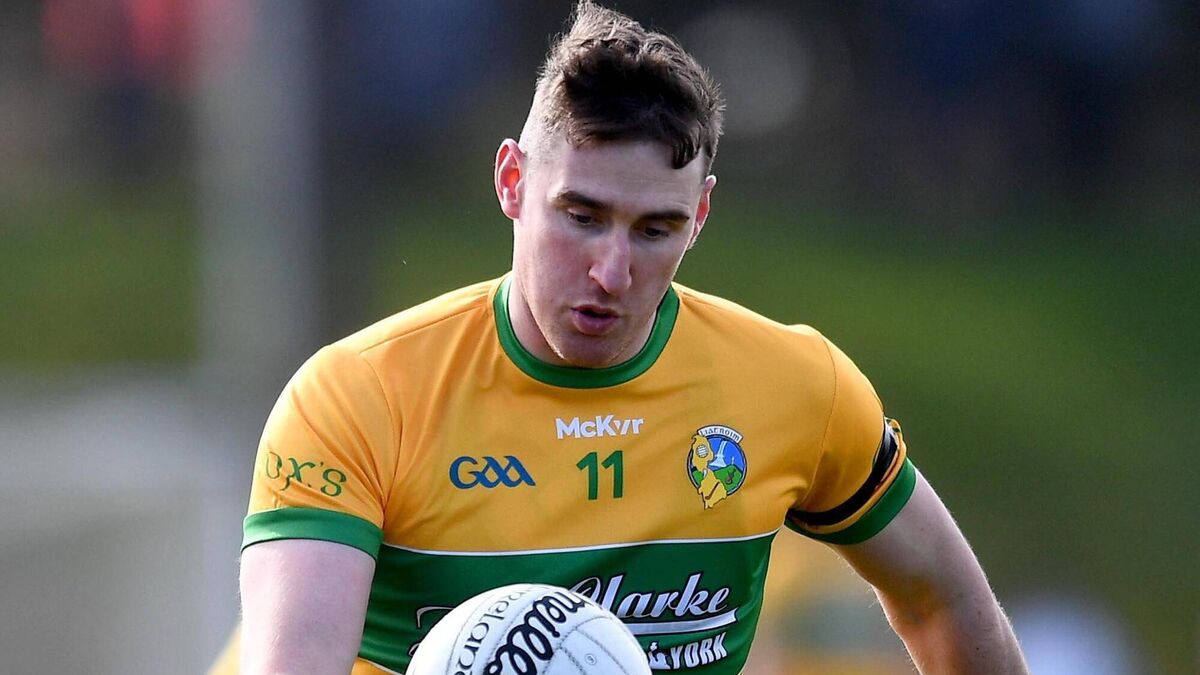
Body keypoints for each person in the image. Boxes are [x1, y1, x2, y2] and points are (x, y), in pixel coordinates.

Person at [230, 2, 1029, 673]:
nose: (611, 271)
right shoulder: (360, 396)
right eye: (581, 216)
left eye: (655, 229)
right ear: (512, 182)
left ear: (701, 215)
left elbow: (943, 599)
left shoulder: (795, 387)